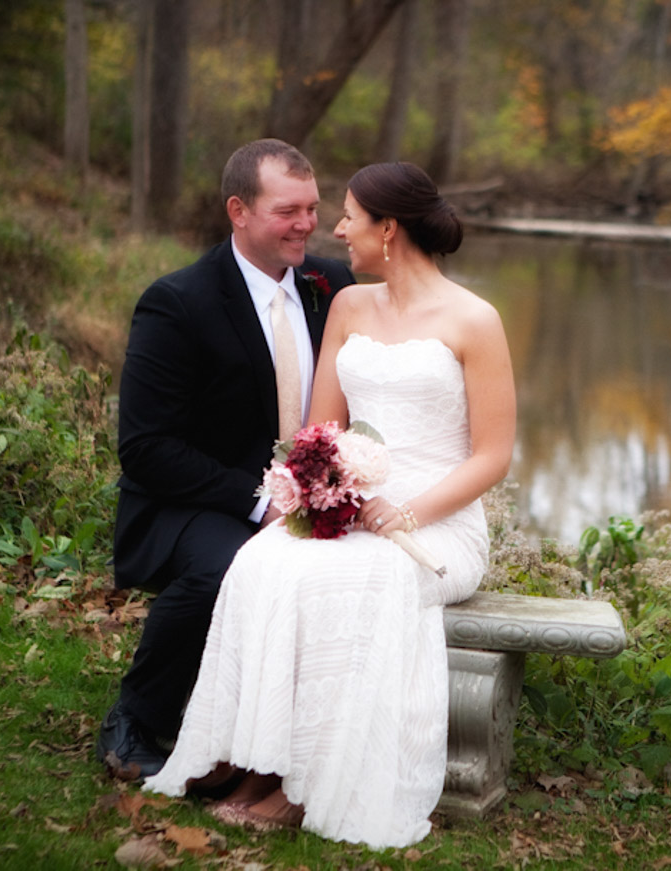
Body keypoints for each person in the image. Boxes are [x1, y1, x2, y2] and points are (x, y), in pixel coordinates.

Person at [143, 162, 517, 849]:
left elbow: (493, 455)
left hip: (435, 528)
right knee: (262, 561)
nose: (336, 230)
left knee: (354, 580)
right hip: (352, 508)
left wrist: (409, 512)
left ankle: (301, 781)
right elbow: (321, 434)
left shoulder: (475, 319)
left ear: (389, 228)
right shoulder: (348, 305)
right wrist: (319, 490)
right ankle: (251, 756)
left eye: (349, 216)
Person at [96, 140, 355, 781]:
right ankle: (136, 715)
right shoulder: (178, 302)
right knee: (231, 569)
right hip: (189, 503)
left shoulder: (335, 287)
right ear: (238, 211)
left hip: (310, 496)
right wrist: (260, 501)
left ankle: (304, 738)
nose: (305, 225)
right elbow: (145, 447)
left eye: (313, 209)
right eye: (286, 211)